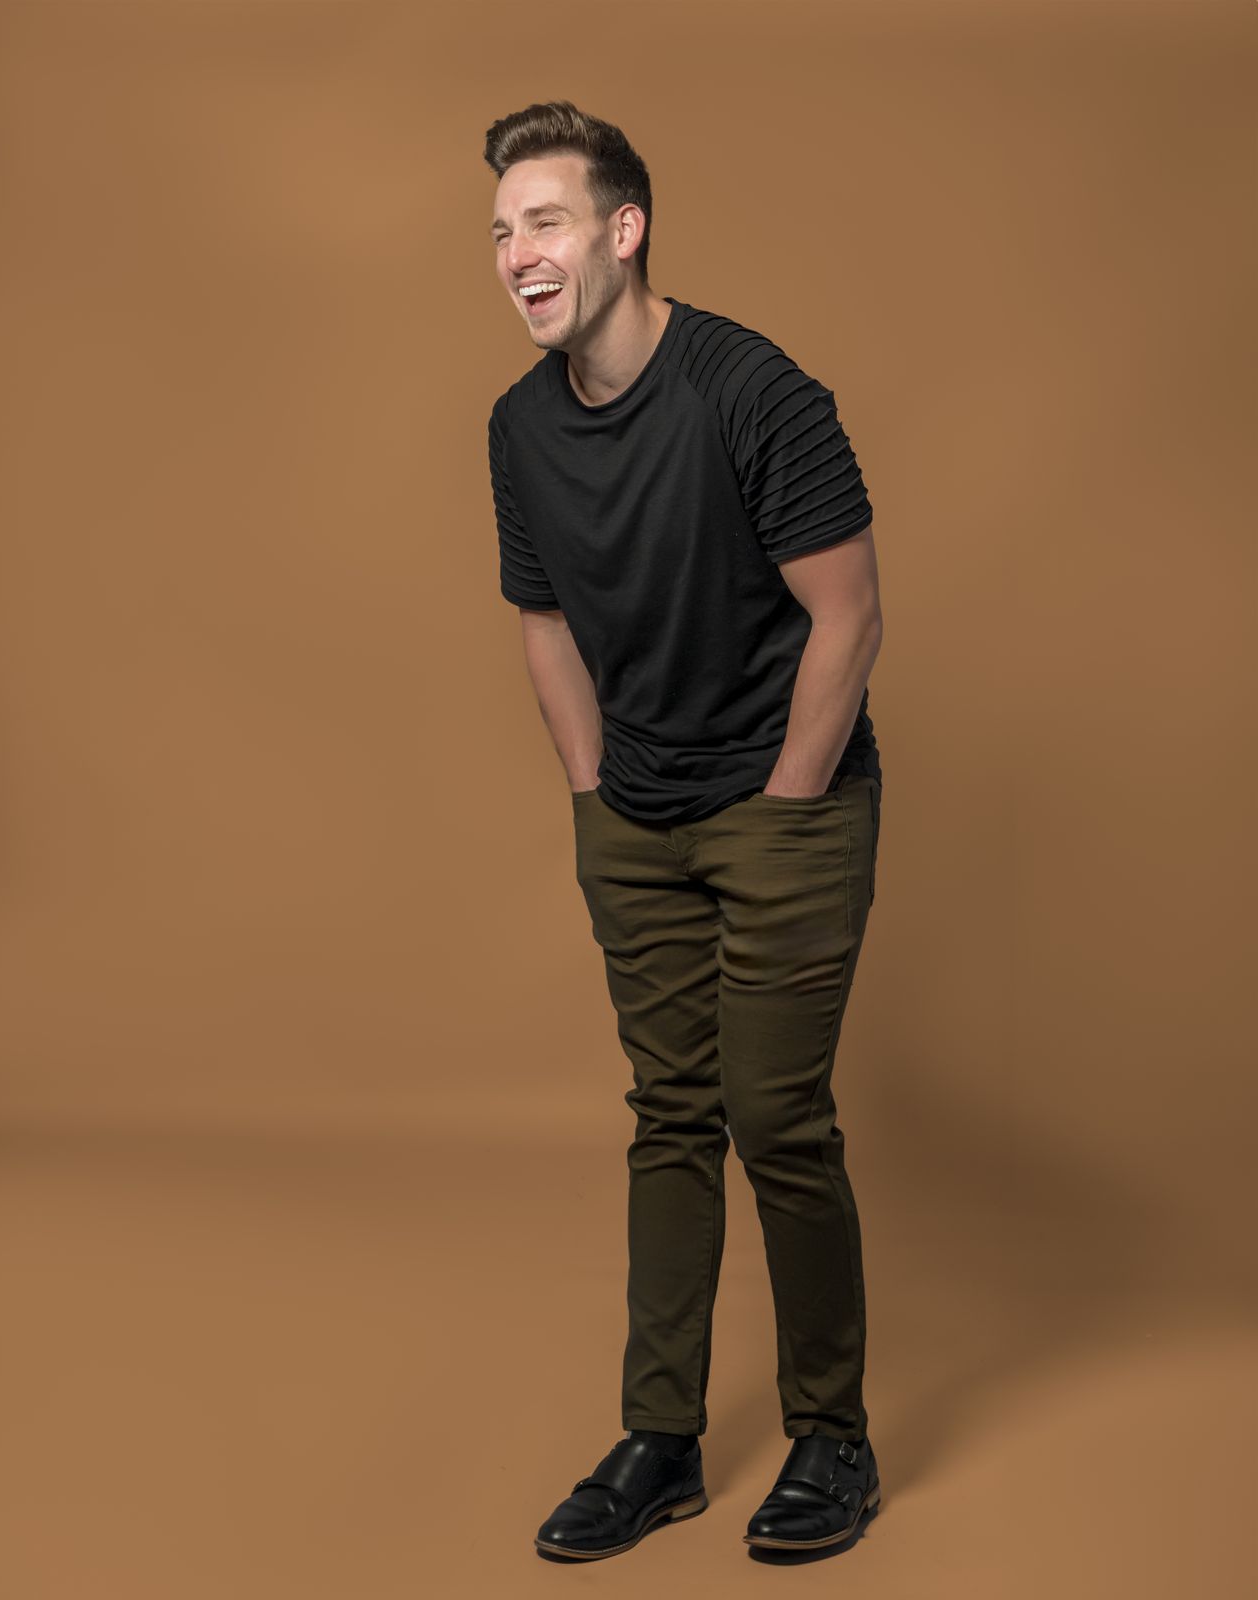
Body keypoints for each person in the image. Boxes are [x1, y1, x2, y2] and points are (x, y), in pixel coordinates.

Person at [484, 99, 884, 1560]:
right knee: (668, 1116)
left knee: (776, 1118)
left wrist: (786, 807)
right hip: (638, 820)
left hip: (784, 803)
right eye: (500, 232)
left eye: (544, 221)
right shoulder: (519, 427)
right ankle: (661, 1440)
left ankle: (833, 1439)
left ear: (623, 230)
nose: (516, 254)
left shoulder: (751, 390)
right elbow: (544, 623)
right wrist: (595, 798)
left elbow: (850, 615)